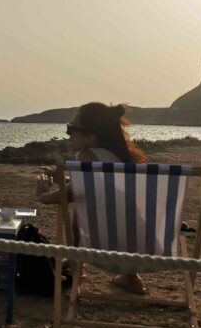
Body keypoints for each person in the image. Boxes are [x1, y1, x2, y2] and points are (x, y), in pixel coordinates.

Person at [36, 102, 149, 294]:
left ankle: (75, 264)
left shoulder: (86, 155)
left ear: (90, 137)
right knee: (109, 206)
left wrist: (42, 193)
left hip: (101, 243)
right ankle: (131, 277)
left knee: (81, 208)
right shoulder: (122, 158)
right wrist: (64, 179)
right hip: (142, 244)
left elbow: (72, 194)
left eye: (71, 129)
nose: (68, 134)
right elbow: (98, 187)